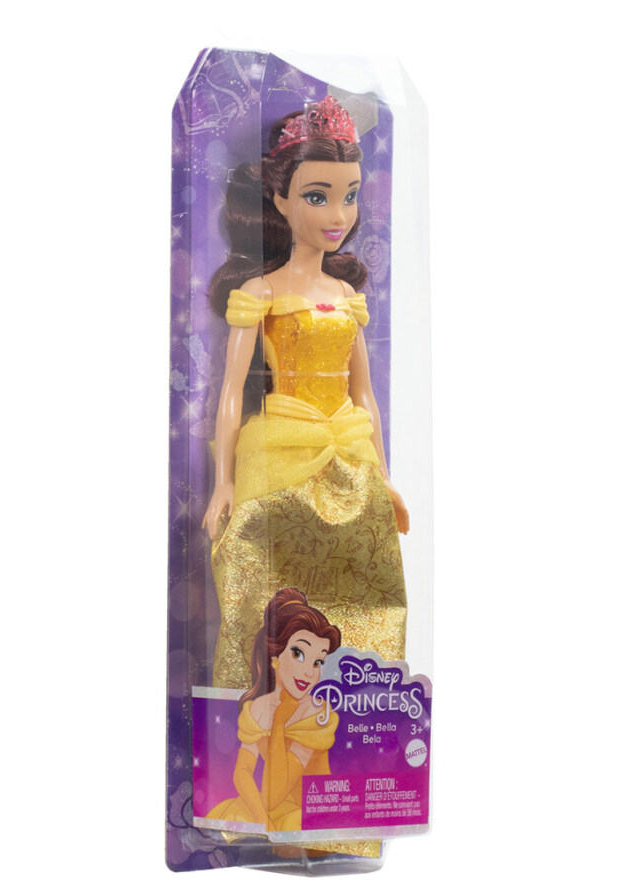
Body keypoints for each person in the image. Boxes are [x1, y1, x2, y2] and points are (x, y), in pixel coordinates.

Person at [202, 96, 408, 691]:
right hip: (281, 447)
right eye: (318, 197)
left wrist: (384, 475)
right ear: (279, 199)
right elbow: (231, 393)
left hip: (350, 449)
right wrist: (223, 482)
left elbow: (364, 394)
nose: (338, 214)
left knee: (371, 587)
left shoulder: (346, 297)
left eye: (350, 195)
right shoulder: (261, 293)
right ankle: (253, 704)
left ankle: (363, 700)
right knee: (262, 581)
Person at [206, 588, 341, 832]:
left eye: (318, 662)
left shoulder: (315, 715)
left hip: (313, 814)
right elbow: (242, 772)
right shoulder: (258, 708)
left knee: (286, 825)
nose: (310, 672)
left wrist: (279, 722)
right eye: (299, 653)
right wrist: (261, 819)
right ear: (275, 654)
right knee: (235, 815)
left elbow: (275, 793)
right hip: (271, 809)